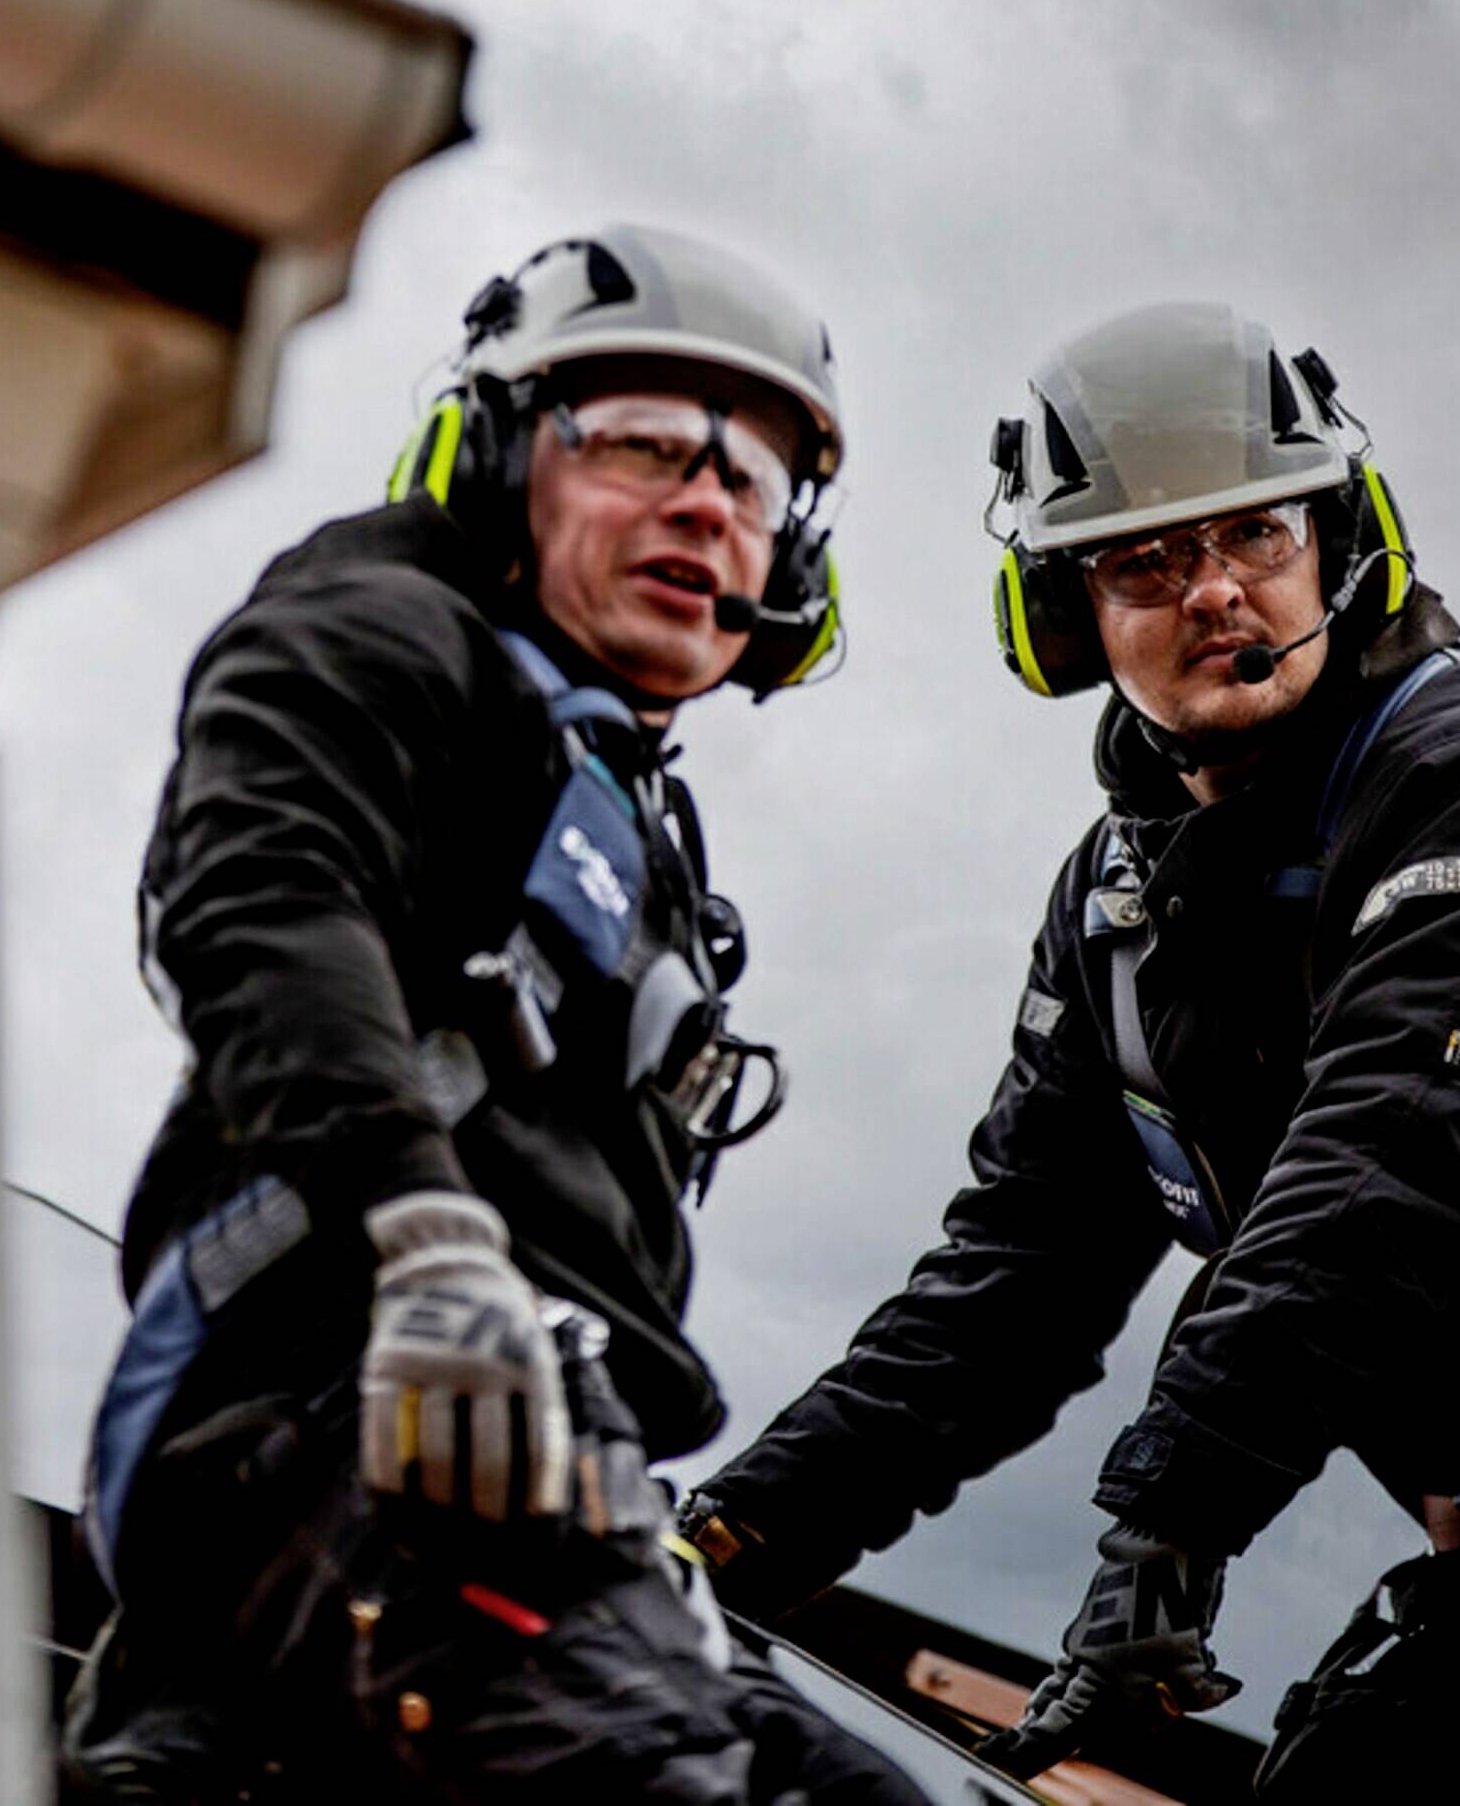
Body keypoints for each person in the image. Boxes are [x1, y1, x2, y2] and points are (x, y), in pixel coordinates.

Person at [678, 301, 1460, 1802]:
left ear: (1337, 540)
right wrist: (726, 1538)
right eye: (1145, 559)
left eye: (1257, 534)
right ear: (1062, 619)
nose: (1214, 591)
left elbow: (1397, 1161)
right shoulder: (1114, 918)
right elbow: (1005, 1289)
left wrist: (1171, 1520)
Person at [59, 225, 931, 1805]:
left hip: (548, 1464)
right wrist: (425, 1235)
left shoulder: (624, 801)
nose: (707, 504)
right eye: (649, 445)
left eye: (754, 482)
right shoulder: (380, 633)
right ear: (496, 462)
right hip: (351, 1421)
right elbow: (265, 900)